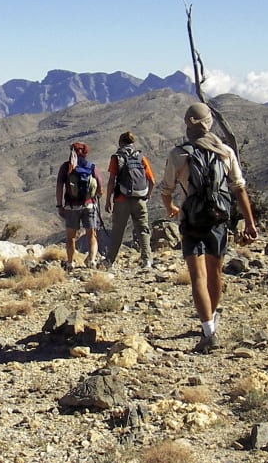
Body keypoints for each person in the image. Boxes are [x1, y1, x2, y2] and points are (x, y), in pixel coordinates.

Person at [160, 102, 258, 353]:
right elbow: (239, 188)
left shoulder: (178, 154)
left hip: (191, 221)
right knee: (215, 272)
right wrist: (249, 221)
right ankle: (210, 320)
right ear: (209, 123)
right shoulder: (224, 152)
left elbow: (166, 190)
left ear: (188, 124)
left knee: (198, 277)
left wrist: (171, 207)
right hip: (218, 219)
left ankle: (208, 331)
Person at [105, 131, 155, 268]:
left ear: (121, 142)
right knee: (143, 230)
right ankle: (147, 260)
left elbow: (111, 181)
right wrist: (148, 195)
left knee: (117, 231)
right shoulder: (140, 157)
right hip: (140, 199)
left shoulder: (117, 157)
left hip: (122, 199)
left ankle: (109, 261)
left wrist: (108, 200)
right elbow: (152, 181)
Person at [56, 142, 103, 268]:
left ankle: (70, 262)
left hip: (71, 207)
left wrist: (60, 205)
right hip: (89, 206)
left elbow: (59, 186)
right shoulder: (91, 167)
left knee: (71, 236)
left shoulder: (66, 167)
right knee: (91, 235)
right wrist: (94, 197)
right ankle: (92, 261)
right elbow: (100, 188)